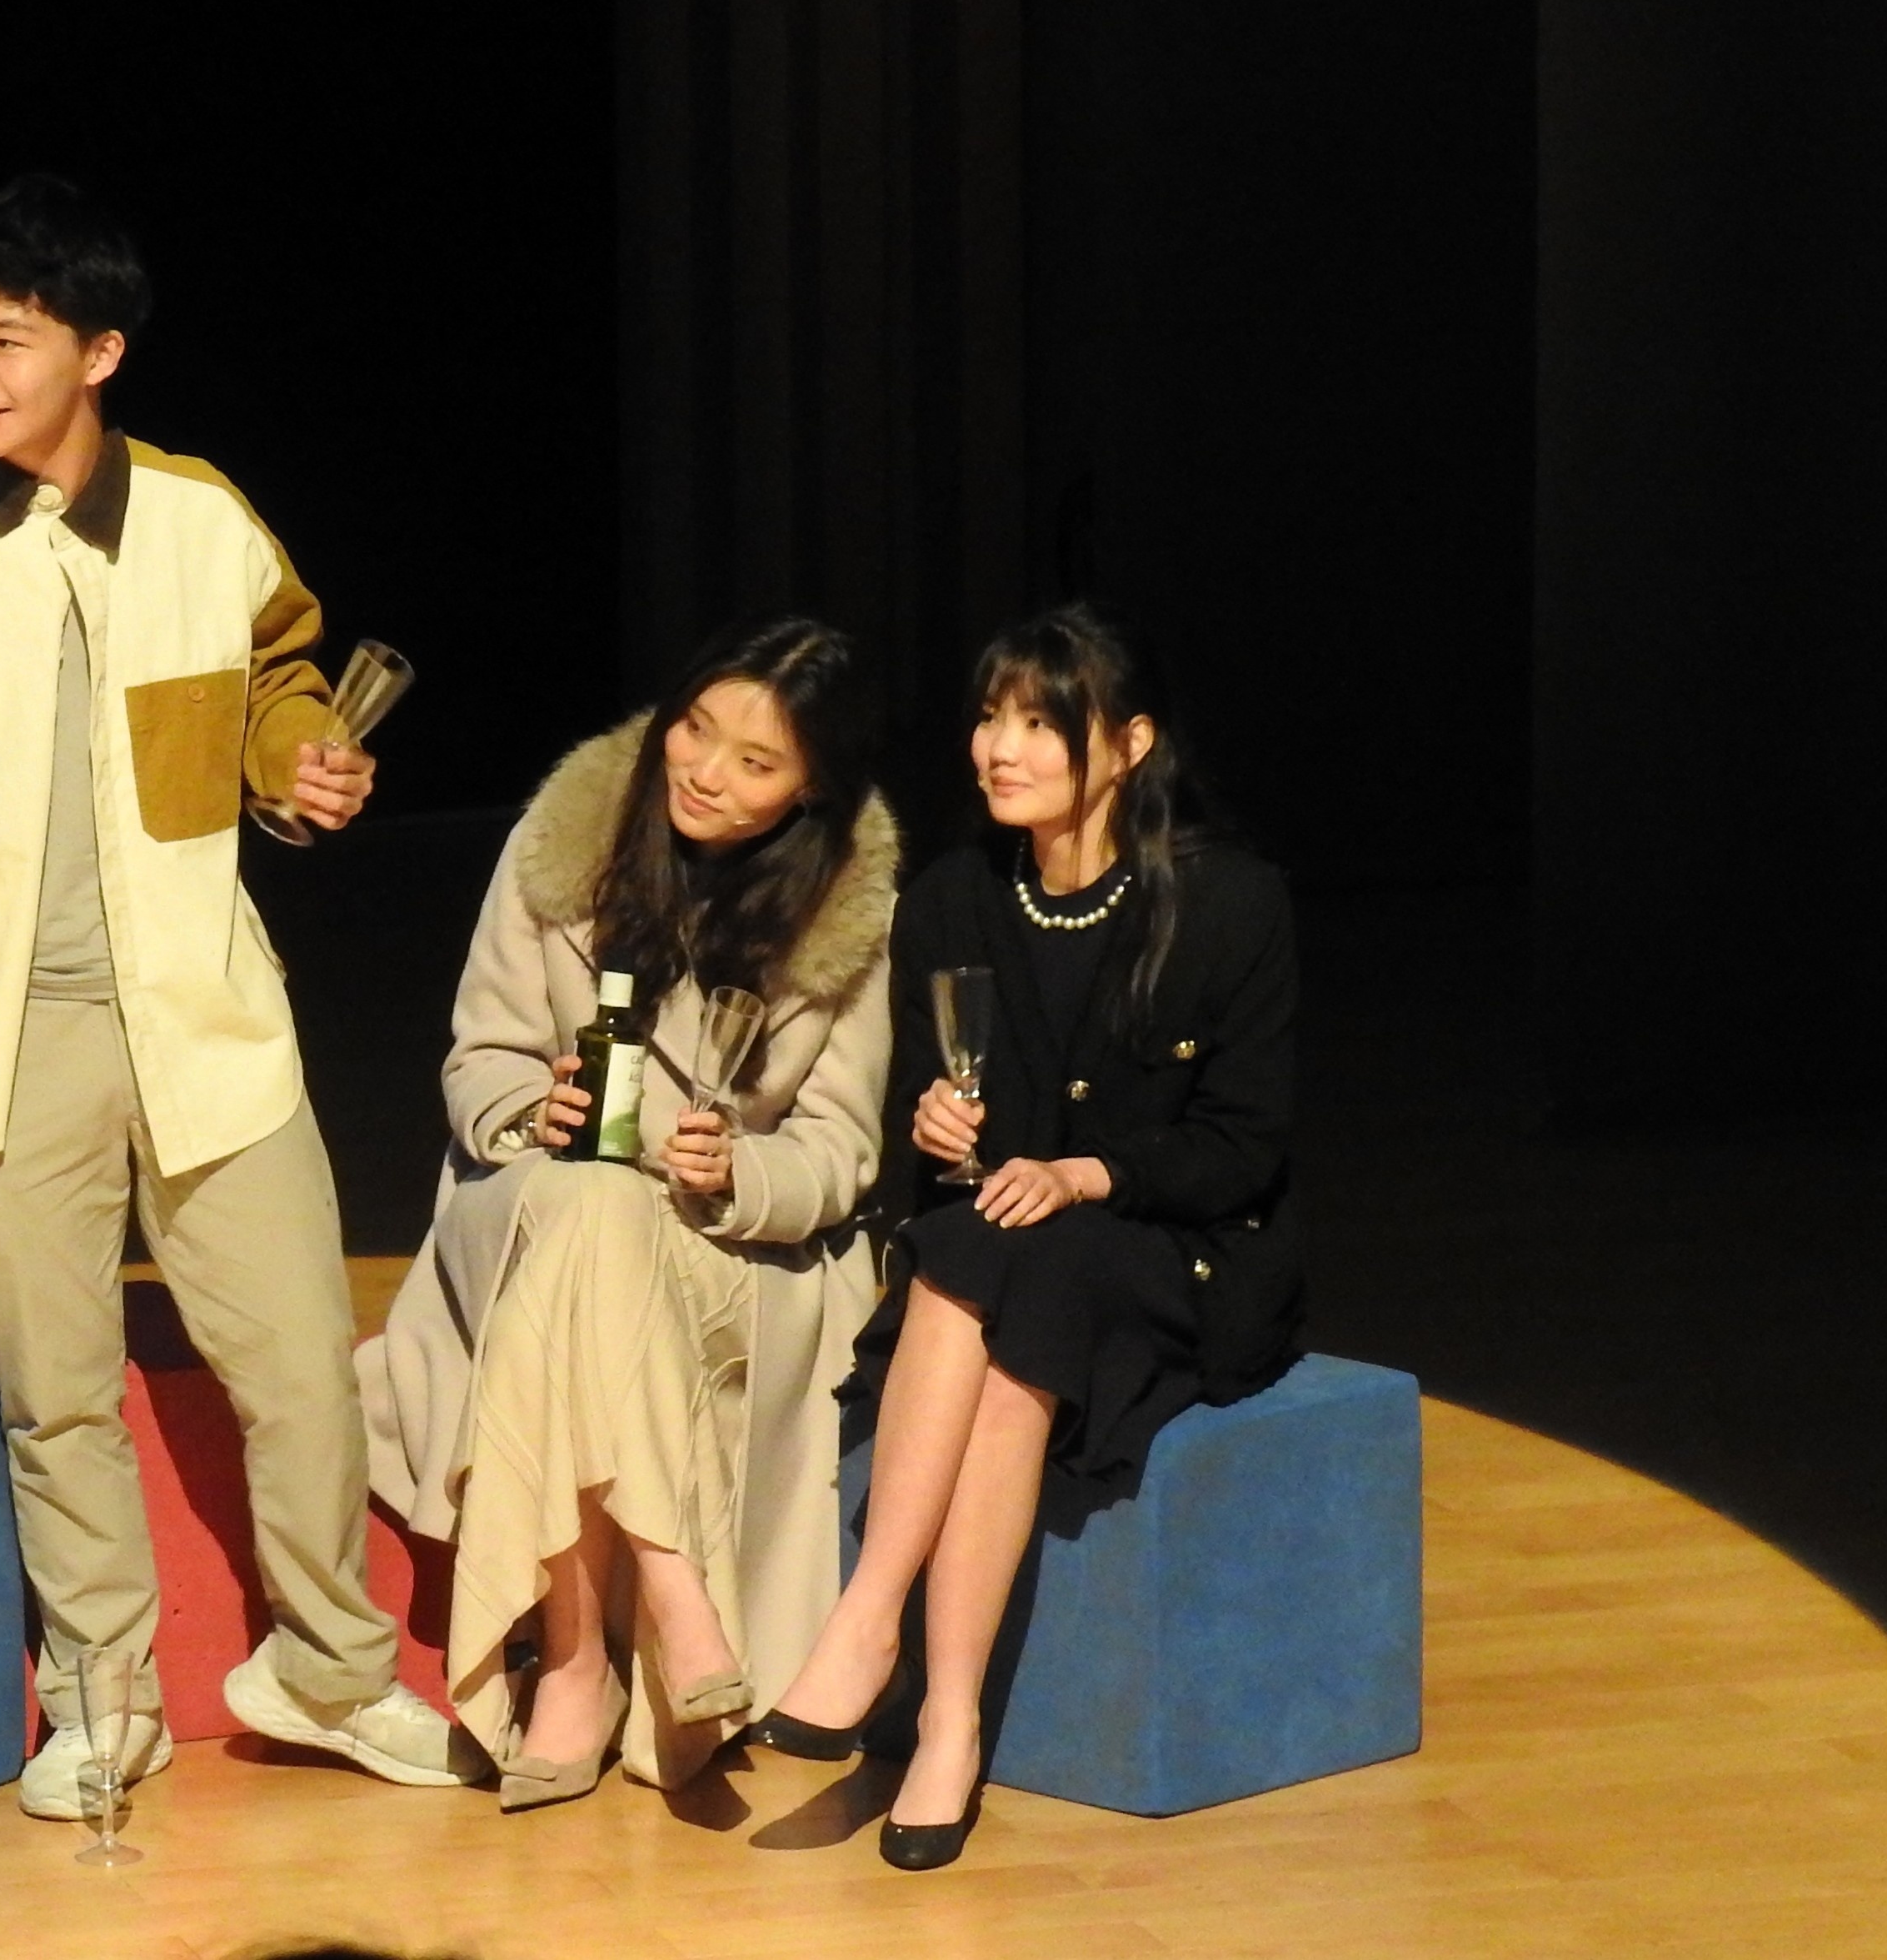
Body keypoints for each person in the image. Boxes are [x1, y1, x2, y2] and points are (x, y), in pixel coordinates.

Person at [0, 175, 463, 1818]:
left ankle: (333, 1671)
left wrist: (299, 761)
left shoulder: (203, 522)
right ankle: (105, 1698)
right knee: (58, 1396)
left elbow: (274, 676)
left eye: (7, 339)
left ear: (100, 352)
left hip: (203, 1014)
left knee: (301, 1366)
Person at [756, 601, 1300, 1869]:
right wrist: (935, 1121)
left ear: (1131, 745)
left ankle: (899, 1659)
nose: (999, 748)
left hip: (1177, 1242)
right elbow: (934, 1132)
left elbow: (1245, 1145)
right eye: (991, 718)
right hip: (1006, 1235)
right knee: (988, 1264)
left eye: (1041, 726)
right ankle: (922, 1690)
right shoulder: (957, 897)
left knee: (1023, 1291)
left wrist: (1087, 1172)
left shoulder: (1230, 901)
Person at [360, 617, 900, 1808]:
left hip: (721, 1245)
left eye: (755, 763)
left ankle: (573, 1664)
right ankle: (673, 1590)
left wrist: (738, 1173)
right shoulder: (566, 841)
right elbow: (478, 1058)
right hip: (533, 1204)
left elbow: (841, 1150)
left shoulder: (846, 906)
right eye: (694, 731)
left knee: (601, 1234)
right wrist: (532, 1105)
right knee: (594, 1202)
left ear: (812, 788)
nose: (704, 772)